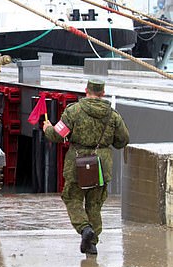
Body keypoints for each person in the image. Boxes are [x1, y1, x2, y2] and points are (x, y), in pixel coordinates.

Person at [43, 79, 129, 256]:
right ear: (103, 93)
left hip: (77, 163)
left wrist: (47, 128)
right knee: (95, 204)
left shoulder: (73, 111)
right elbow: (122, 141)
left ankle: (84, 229)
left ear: (86, 90)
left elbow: (58, 135)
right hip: (101, 166)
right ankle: (92, 244)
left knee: (72, 198)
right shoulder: (112, 115)